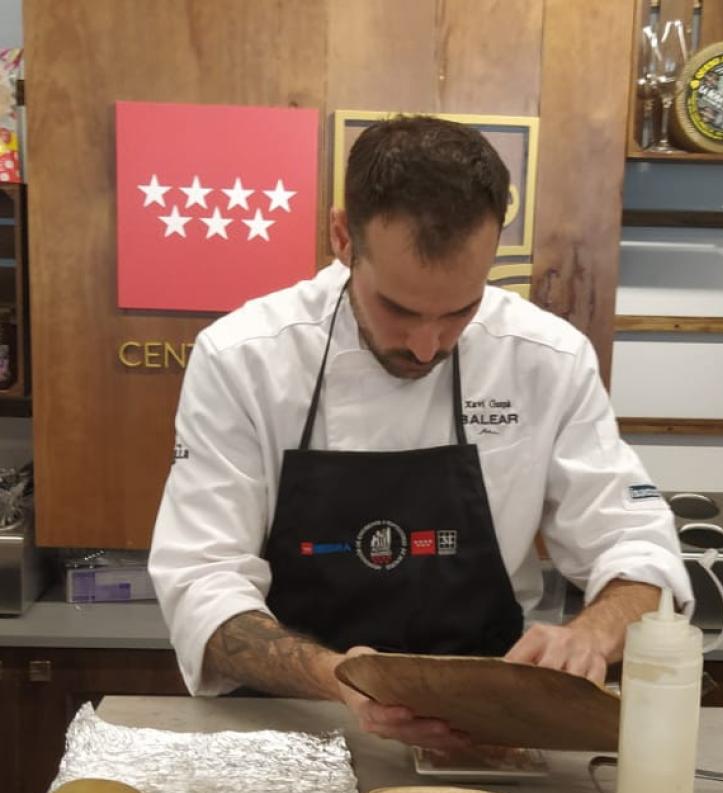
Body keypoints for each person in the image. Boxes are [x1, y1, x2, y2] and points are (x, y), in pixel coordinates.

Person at [149, 114, 692, 751]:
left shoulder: (547, 358)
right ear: (343, 236)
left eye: (461, 309)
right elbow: (201, 580)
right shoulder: (244, 357)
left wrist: (592, 636)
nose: (427, 345)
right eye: (399, 309)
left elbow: (638, 546)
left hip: (487, 728)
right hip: (293, 722)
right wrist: (341, 679)